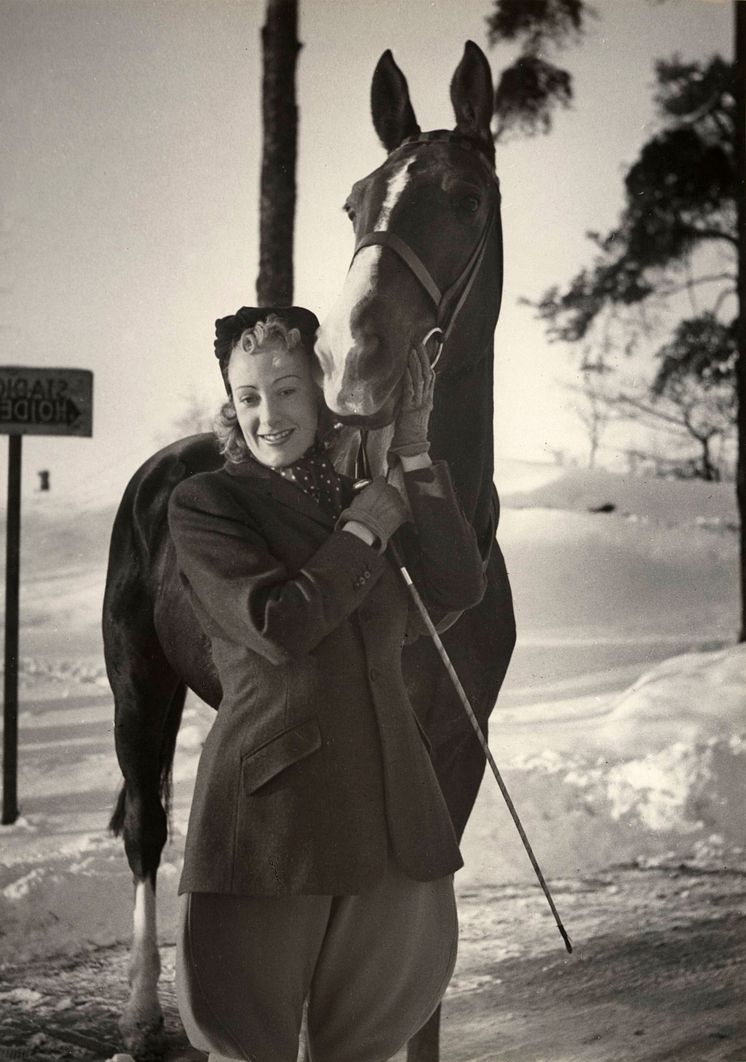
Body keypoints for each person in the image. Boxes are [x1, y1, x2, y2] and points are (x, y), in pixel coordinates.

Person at [169, 305, 486, 1062]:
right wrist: (363, 532)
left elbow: (456, 587)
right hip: (277, 827)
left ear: (318, 392)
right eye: (248, 396)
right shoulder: (210, 505)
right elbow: (278, 624)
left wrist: (411, 458)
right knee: (250, 1046)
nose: (267, 416)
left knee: (366, 1044)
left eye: (285, 390)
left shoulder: (358, 495)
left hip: (391, 817)